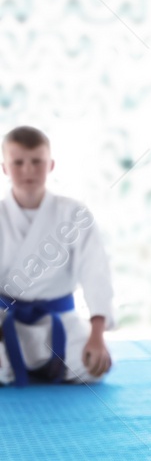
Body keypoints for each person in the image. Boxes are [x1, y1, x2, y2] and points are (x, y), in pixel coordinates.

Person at [0, 126, 114, 385]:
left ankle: (50, 366)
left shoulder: (74, 214)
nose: (28, 170)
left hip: (59, 323)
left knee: (94, 367)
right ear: (5, 167)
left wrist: (97, 336)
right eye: (18, 162)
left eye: (36, 162)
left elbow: (96, 273)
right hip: (6, 323)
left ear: (50, 165)